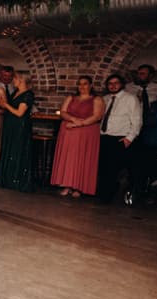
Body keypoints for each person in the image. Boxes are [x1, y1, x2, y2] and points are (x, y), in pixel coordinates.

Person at [50, 76, 104, 197]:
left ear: (91, 85)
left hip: (86, 132)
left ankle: (79, 187)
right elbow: (63, 112)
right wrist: (73, 119)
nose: (82, 86)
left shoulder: (96, 99)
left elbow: (97, 116)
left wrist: (78, 124)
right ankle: (66, 185)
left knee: (82, 158)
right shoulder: (71, 97)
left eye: (85, 84)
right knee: (69, 159)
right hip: (68, 131)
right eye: (79, 84)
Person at [97, 74, 142, 203]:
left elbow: (137, 120)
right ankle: (102, 194)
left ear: (122, 84)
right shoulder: (104, 99)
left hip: (119, 138)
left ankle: (107, 196)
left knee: (113, 169)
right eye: (110, 83)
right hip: (104, 137)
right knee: (103, 168)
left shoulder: (130, 99)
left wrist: (129, 138)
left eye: (116, 83)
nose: (113, 85)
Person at [0, 72, 35, 192]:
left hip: (20, 126)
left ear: (21, 80)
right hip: (11, 125)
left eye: (15, 78)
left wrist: (5, 105)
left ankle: (16, 179)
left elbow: (19, 113)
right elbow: (10, 108)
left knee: (16, 151)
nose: (13, 80)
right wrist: (2, 105)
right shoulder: (15, 92)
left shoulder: (28, 94)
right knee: (9, 149)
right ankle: (7, 178)